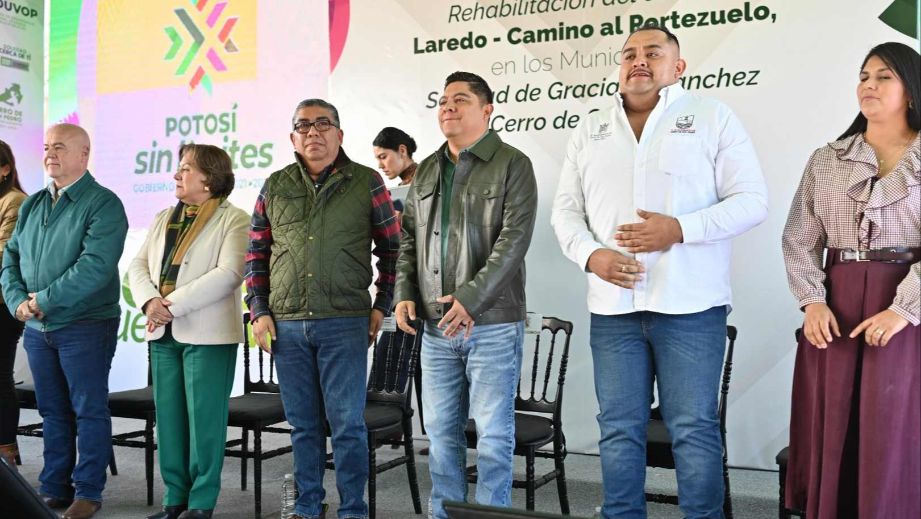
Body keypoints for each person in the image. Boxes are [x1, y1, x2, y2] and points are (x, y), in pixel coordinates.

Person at [551, 26, 768, 519]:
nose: (639, 61)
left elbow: (753, 202)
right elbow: (565, 211)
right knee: (619, 427)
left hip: (690, 307)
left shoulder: (712, 117)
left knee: (692, 428)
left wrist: (680, 229)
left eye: (653, 52)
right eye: (629, 53)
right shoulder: (591, 128)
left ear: (679, 66)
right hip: (613, 309)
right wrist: (591, 256)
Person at [782, 42, 920, 519]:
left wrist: (903, 310)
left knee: (896, 423)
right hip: (835, 307)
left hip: (909, 312)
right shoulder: (827, 158)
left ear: (911, 88)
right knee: (834, 417)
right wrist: (811, 302)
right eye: (864, 75)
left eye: (884, 76)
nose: (869, 85)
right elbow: (798, 236)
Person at [244, 98, 400, 519]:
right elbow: (256, 254)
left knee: (347, 426)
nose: (313, 132)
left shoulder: (366, 182)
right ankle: (308, 507)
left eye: (323, 124)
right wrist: (258, 310)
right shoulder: (275, 185)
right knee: (303, 427)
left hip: (344, 323)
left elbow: (392, 250)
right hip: (287, 326)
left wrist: (381, 305)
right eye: (303, 126)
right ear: (293, 137)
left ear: (339, 134)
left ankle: (353, 510)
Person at [394, 71, 538, 519]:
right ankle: (445, 514)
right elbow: (408, 240)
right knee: (439, 432)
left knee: (494, 433)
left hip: (491, 323)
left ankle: (492, 516)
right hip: (436, 329)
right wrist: (403, 291)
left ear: (487, 110)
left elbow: (513, 242)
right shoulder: (427, 171)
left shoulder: (514, 164)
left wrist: (469, 300)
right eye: (442, 101)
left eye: (459, 100)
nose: (447, 108)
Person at [0, 123, 128, 519]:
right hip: (39, 328)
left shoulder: (104, 204)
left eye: (59, 147)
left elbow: (94, 267)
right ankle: (54, 486)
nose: (50, 154)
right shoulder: (34, 203)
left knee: (88, 409)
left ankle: (88, 492)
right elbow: (10, 260)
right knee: (52, 411)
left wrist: (43, 301)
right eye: (46, 147)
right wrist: (18, 301)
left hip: (85, 325)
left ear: (84, 154)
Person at [128, 144, 249, 519]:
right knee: (170, 420)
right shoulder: (165, 216)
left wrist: (170, 307)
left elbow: (229, 275)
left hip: (208, 335)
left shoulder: (236, 219)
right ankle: (174, 498)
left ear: (209, 178)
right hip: (163, 333)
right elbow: (137, 265)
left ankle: (201, 502)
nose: (177, 175)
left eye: (185, 169)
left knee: (204, 423)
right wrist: (150, 302)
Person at [0, 140, 26, 471]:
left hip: (3, 303)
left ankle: (6, 454)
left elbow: (5, 256)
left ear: (5, 168)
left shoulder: (16, 202)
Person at [372, 127, 417, 215]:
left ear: (402, 151)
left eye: (383, 157)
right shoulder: (401, 188)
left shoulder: (426, 179)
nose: (380, 166)